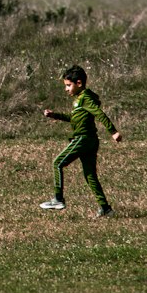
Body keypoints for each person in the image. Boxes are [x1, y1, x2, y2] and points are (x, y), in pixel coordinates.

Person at [40, 65, 121, 217]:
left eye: (68, 85)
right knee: (90, 175)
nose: (66, 89)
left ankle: (58, 199)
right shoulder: (79, 100)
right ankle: (105, 208)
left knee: (57, 163)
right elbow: (74, 118)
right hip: (90, 141)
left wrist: (113, 132)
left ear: (79, 83)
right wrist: (55, 115)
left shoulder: (85, 98)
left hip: (83, 139)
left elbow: (99, 113)